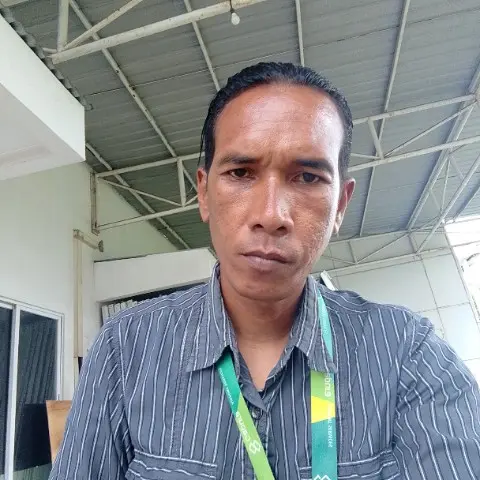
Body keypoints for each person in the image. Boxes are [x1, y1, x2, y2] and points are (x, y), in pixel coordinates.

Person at [50, 62, 480, 480]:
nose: (271, 215)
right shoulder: (126, 349)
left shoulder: (407, 354)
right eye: (240, 172)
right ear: (204, 192)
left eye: (307, 177)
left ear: (340, 206)